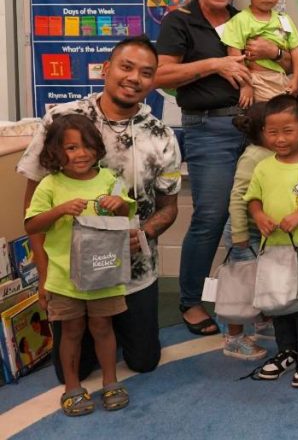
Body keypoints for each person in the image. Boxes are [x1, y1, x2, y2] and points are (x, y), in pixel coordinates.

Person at [18, 36, 181, 380]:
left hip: (133, 273)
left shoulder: (162, 136)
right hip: (72, 276)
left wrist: (143, 233)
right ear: (106, 69)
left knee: (144, 361)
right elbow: (32, 210)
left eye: (146, 73)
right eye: (126, 67)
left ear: (154, 81)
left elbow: (169, 208)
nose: (134, 78)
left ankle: (116, 326)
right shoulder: (62, 119)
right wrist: (44, 277)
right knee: (74, 370)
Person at [156, 0, 278, 337]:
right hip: (208, 127)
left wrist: (273, 52)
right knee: (211, 216)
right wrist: (215, 64)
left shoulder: (243, 19)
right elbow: (160, 76)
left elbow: (269, 62)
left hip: (251, 127)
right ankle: (191, 301)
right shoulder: (180, 20)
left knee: (256, 215)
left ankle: (255, 301)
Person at [24, 115, 134, 416]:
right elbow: (32, 225)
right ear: (55, 151)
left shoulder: (109, 179)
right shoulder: (49, 184)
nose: (81, 154)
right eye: (71, 148)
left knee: (103, 327)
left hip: (104, 272)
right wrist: (59, 210)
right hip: (64, 277)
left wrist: (119, 204)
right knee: (71, 330)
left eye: (87, 146)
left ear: (97, 147)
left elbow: (126, 214)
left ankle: (110, 381)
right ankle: (71, 387)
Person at [247, 95, 298, 388]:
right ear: (263, 133)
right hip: (273, 252)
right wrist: (258, 216)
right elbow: (253, 199)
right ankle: (286, 352)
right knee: (278, 305)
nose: (280, 139)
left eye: (287, 131)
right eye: (273, 132)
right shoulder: (263, 167)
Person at [223, 103, 273, 361]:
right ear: (262, 130)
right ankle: (234, 338)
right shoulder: (253, 156)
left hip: (263, 232)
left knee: (261, 279)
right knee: (241, 287)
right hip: (244, 232)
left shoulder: (275, 148)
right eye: (275, 129)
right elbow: (237, 197)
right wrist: (240, 234)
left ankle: (262, 321)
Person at [221, 0, 298, 104]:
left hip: (282, 79)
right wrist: (246, 85)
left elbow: (296, 49)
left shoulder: (284, 19)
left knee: (287, 113)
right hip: (256, 79)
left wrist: (296, 78)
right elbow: (234, 54)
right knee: (266, 115)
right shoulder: (240, 20)